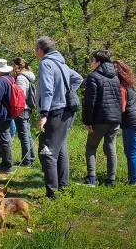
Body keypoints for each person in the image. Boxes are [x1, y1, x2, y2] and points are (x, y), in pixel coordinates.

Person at [35, 37, 83, 199]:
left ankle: (52, 192)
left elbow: (48, 90)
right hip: (68, 111)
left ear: (40, 49)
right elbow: (78, 78)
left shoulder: (46, 63)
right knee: (60, 148)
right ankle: (64, 188)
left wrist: (44, 114)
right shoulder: (61, 63)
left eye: (36, 49)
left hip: (55, 112)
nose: (35, 53)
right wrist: (67, 92)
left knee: (46, 151)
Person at [82, 50, 122, 187]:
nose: (91, 63)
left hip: (100, 118)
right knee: (111, 148)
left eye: (93, 61)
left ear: (98, 62)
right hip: (115, 119)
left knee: (91, 147)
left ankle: (91, 178)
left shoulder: (94, 77)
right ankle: (111, 180)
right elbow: (118, 99)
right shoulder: (115, 77)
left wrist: (88, 121)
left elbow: (90, 102)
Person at [113, 60, 136, 185]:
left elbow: (121, 108)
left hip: (131, 123)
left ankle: (133, 181)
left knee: (131, 153)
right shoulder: (131, 84)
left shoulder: (121, 87)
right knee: (134, 152)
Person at [12, 57, 36, 167]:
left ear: (17, 66)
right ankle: (30, 159)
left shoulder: (21, 78)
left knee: (24, 135)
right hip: (26, 108)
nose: (12, 68)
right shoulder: (27, 76)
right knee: (27, 134)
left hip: (22, 109)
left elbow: (20, 96)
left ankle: (26, 161)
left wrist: (16, 109)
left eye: (13, 65)